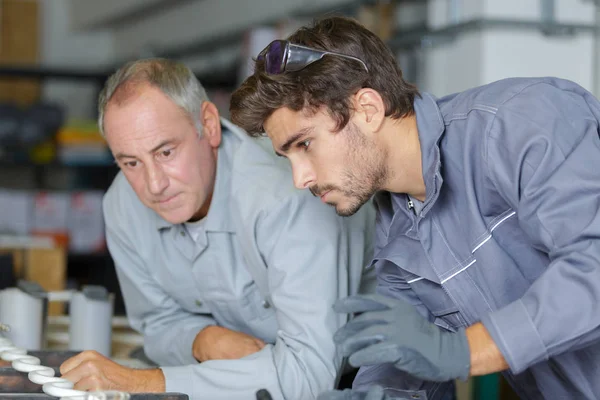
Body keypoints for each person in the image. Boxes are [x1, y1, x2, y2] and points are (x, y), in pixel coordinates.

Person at [229, 15, 600, 400]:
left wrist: (460, 351)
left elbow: (593, 268)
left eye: (304, 144)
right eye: (286, 157)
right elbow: (401, 361)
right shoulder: (397, 235)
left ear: (368, 109)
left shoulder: (518, 123)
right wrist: (374, 395)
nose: (300, 179)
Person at [58, 58, 376, 400]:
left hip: (360, 380)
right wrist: (201, 339)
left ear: (208, 125)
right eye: (130, 162)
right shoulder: (121, 204)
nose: (153, 184)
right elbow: (156, 323)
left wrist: (141, 383)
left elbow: (309, 376)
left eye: (165, 152)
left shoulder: (288, 195)